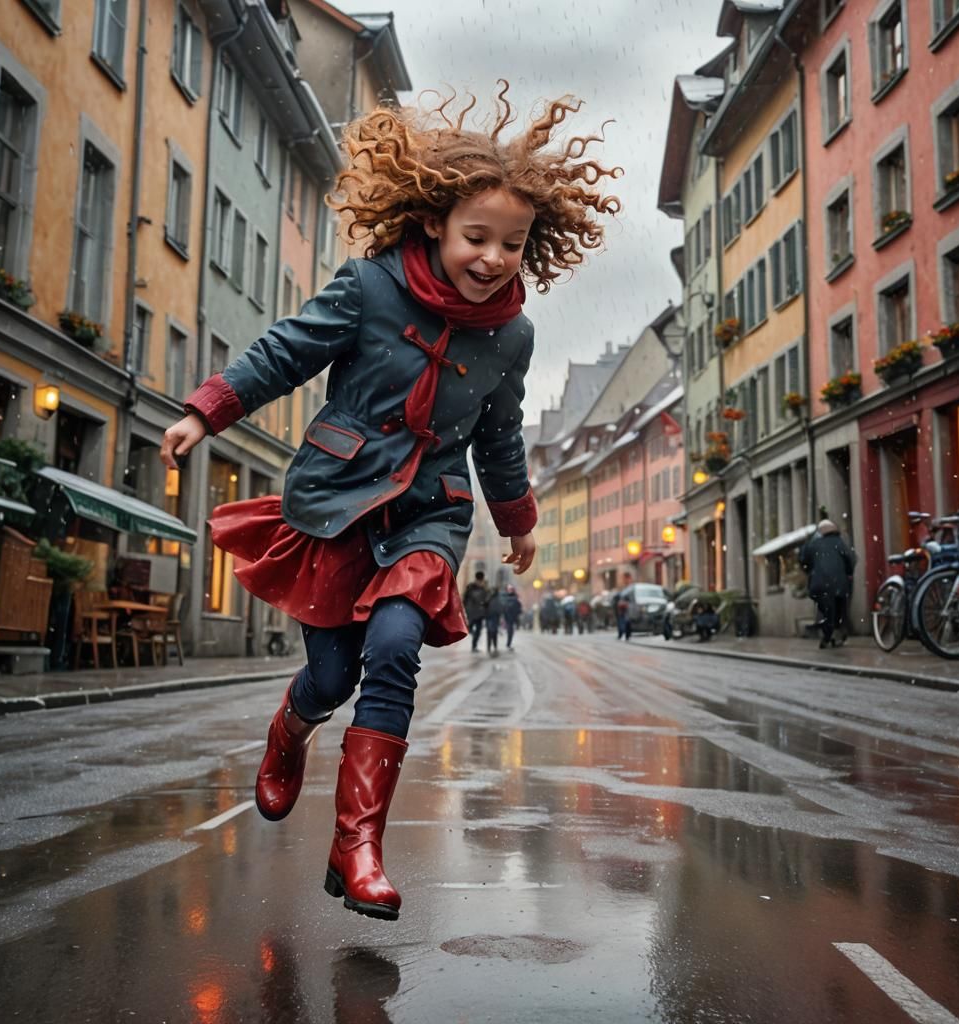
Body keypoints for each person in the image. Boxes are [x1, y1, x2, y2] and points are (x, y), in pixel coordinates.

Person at [159, 83, 620, 923]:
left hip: (430, 513)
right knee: (332, 676)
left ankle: (358, 844)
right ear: (436, 225)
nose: (491, 258)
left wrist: (516, 519)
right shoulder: (369, 287)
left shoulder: (512, 335)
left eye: (512, 244)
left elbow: (499, 434)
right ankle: (289, 731)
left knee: (399, 644)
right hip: (338, 501)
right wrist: (207, 408)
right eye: (476, 237)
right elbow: (287, 350)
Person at [799, 520, 857, 649]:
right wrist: (848, 573)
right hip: (839, 584)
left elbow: (803, 559)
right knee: (838, 610)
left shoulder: (813, 544)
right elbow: (850, 559)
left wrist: (810, 571)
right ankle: (836, 633)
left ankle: (827, 635)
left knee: (826, 610)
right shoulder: (840, 543)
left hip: (819, 585)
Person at [463, 571, 489, 652]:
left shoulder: (470, 587)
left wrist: (465, 608)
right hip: (478, 612)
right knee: (476, 630)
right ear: (482, 578)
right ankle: (474, 645)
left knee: (474, 629)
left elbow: (465, 599)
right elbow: (486, 601)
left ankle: (474, 645)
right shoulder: (484, 589)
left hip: (472, 612)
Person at [484, 586, 505, 656]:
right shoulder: (495, 598)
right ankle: (491, 646)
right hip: (492, 617)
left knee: (492, 632)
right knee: (492, 632)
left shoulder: (491, 597)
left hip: (493, 617)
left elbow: (501, 608)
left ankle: (491, 646)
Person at [614, 571, 634, 640]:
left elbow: (629, 597)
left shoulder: (631, 587)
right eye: (624, 578)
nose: (624, 580)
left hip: (627, 607)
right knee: (621, 620)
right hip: (621, 607)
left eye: (626, 578)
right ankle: (621, 633)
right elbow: (618, 596)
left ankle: (627, 634)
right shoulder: (622, 587)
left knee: (627, 620)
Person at [502, 584, 522, 649]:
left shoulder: (507, 598)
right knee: (510, 630)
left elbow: (519, 608)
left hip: (510, 617)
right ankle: (508, 643)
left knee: (510, 630)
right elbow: (519, 608)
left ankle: (508, 643)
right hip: (510, 617)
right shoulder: (514, 598)